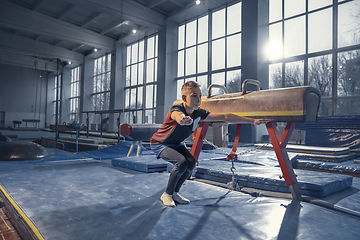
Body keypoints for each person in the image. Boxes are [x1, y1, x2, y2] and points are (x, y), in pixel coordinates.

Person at [150, 81, 265, 207]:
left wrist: (253, 121)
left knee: (191, 162)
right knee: (181, 163)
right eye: (194, 96)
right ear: (184, 98)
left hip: (177, 143)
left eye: (200, 96)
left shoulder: (199, 113)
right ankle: (167, 194)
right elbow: (176, 115)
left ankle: (175, 193)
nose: (198, 99)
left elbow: (225, 116)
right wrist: (182, 119)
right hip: (161, 143)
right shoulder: (177, 109)